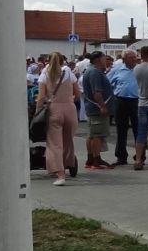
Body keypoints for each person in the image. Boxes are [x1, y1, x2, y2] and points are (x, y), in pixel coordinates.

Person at [36, 53, 79, 185]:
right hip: (70, 109)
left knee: (55, 143)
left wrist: (37, 111)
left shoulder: (45, 75)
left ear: (48, 61)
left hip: (54, 109)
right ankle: (67, 163)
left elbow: (41, 97)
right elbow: (77, 93)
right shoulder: (69, 73)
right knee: (68, 141)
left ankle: (60, 175)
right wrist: (70, 100)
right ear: (62, 61)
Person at [80, 52, 115, 170]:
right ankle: (96, 159)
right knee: (97, 134)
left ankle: (91, 159)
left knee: (91, 134)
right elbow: (97, 92)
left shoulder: (92, 71)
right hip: (96, 108)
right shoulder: (94, 72)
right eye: (104, 58)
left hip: (93, 108)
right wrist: (102, 106)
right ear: (98, 60)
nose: (106, 60)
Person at [106, 49, 139, 166]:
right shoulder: (117, 70)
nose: (134, 59)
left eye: (135, 57)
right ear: (124, 59)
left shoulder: (139, 69)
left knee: (139, 129)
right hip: (121, 101)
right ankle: (121, 156)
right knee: (121, 130)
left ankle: (140, 156)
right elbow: (107, 83)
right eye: (131, 57)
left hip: (137, 101)